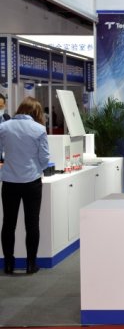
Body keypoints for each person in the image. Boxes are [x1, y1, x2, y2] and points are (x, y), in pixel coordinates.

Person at [0, 97, 50, 275]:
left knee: (8, 223)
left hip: (9, 181)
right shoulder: (39, 129)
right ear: (36, 112)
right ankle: (30, 264)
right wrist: (38, 167)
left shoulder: (4, 127)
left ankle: (8, 264)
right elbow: (45, 158)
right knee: (32, 223)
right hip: (32, 182)